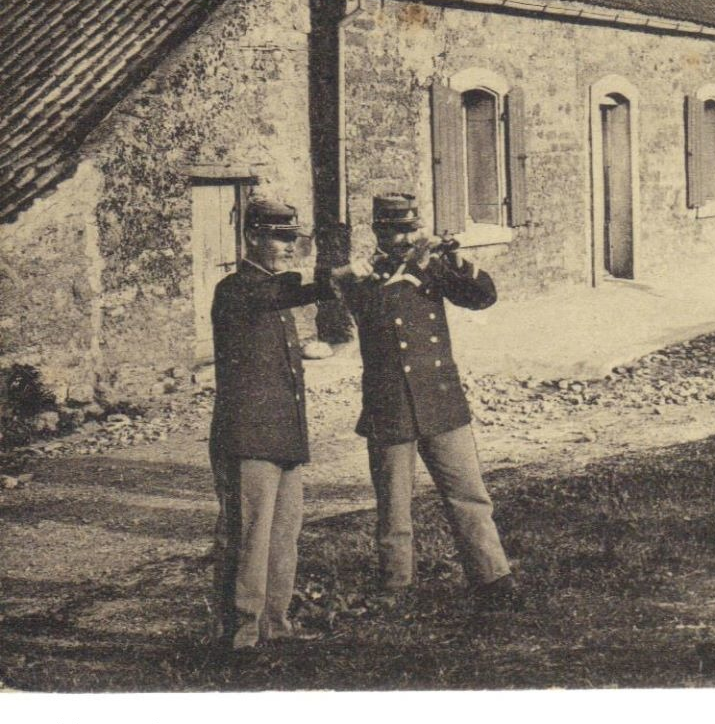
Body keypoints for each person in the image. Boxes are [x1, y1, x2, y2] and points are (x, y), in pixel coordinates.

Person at [334, 194, 522, 611]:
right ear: (379, 233)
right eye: (397, 231)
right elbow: (368, 310)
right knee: (394, 505)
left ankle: (493, 577)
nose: (406, 237)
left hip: (440, 398)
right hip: (391, 403)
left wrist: (450, 262)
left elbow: (482, 296)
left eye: (411, 229)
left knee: (468, 494)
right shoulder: (361, 277)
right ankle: (395, 585)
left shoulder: (432, 268)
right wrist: (409, 268)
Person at [209, 197, 357, 653]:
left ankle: (275, 625)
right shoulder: (237, 289)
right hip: (247, 438)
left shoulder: (273, 291)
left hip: (283, 436)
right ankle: (239, 637)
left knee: (282, 537)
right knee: (248, 537)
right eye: (280, 238)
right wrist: (332, 279)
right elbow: (279, 292)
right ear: (253, 237)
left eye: (294, 238)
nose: (289, 248)